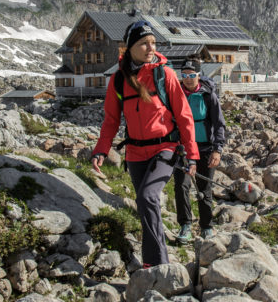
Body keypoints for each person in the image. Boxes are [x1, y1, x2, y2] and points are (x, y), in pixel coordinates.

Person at [89, 20, 198, 268]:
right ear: (130, 48)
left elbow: (184, 116)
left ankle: (157, 264)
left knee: (148, 197)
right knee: (145, 204)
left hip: (165, 149)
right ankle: (156, 260)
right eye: (144, 43)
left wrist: (192, 155)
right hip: (135, 153)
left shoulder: (164, 74)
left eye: (153, 43)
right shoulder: (118, 81)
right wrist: (101, 150)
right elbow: (111, 120)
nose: (151, 48)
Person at [173, 58, 226, 242]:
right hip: (184, 149)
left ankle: (206, 226)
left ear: (199, 75)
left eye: (192, 75)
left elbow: (219, 124)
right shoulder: (176, 93)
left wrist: (217, 150)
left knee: (205, 188)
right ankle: (185, 225)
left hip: (206, 148)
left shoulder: (208, 94)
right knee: (182, 185)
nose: (188, 79)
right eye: (184, 75)